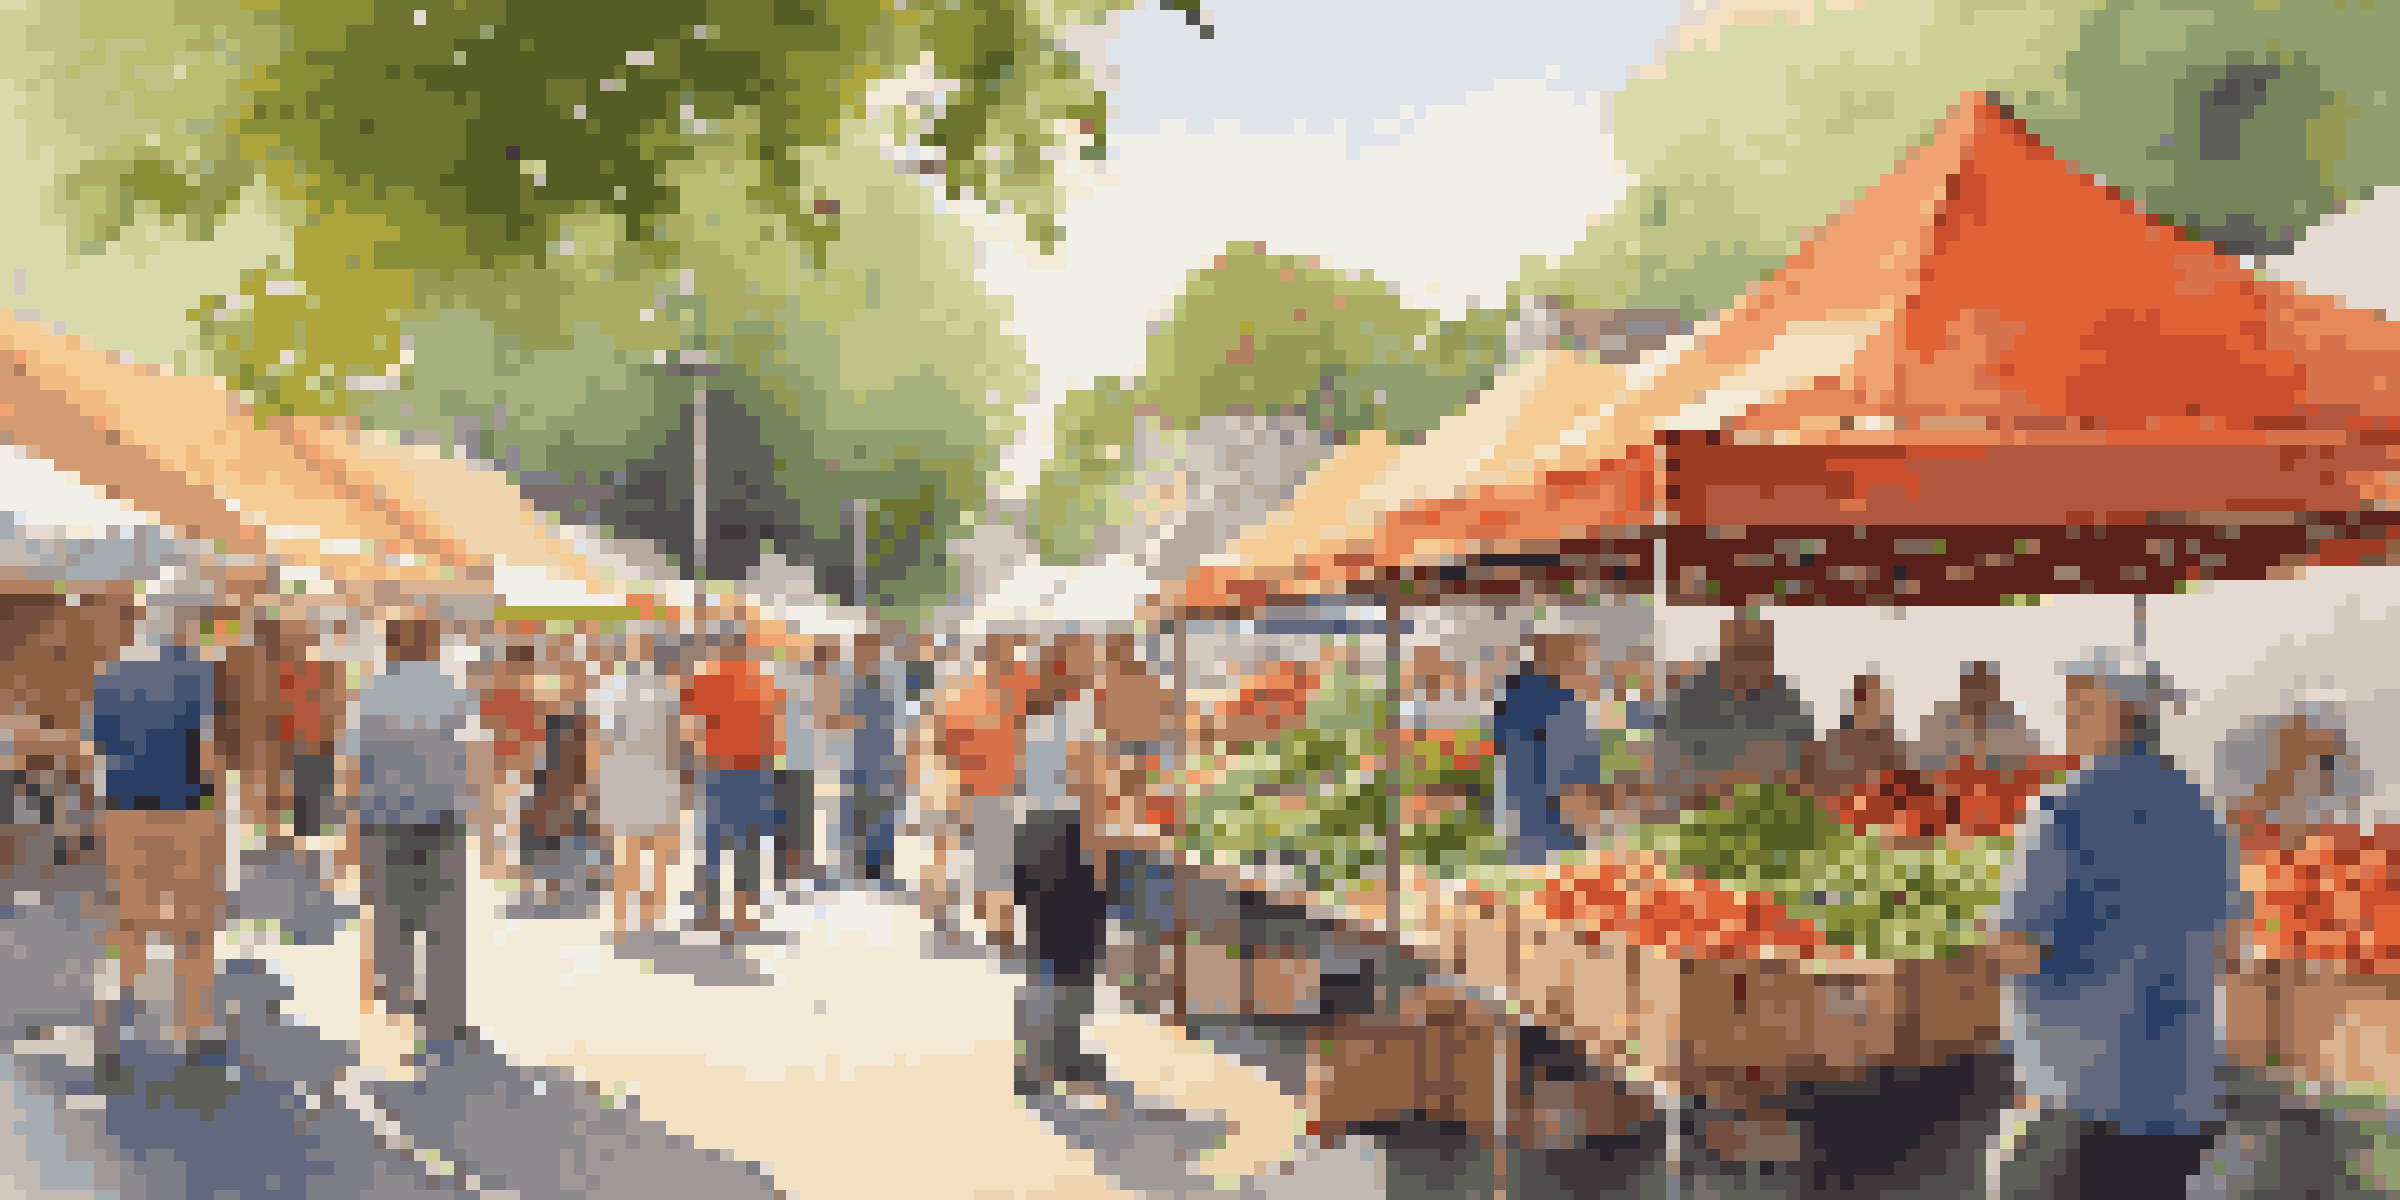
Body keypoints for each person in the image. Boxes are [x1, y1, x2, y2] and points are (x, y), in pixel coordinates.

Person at [1994, 649, 2237, 1200]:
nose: (2067, 712)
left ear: (2116, 710)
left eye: (2079, 699)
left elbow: (2018, 946)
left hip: (2080, 1094)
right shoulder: (2199, 811)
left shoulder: (2064, 810)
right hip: (2180, 1093)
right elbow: (2227, 945)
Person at [88, 597, 234, 1081]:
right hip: (184, 811)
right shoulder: (196, 674)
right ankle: (195, 1034)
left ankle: (117, 1026)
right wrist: (217, 817)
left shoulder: (110, 677)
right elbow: (207, 754)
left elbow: (98, 752)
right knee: (194, 925)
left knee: (129, 923)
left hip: (123, 814)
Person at [345, 615, 489, 1051]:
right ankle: (445, 1015)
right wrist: (479, 809)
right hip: (440, 817)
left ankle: (397, 996)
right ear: (428, 646)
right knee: (444, 917)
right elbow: (471, 753)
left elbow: (356, 764)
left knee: (393, 911)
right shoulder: (448, 688)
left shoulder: (371, 693)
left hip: (384, 819)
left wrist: (352, 822)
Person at [684, 637, 785, 935]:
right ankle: (742, 912)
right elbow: (773, 728)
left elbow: (692, 727)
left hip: (719, 768)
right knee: (747, 842)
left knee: (714, 841)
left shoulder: (708, 679)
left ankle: (709, 911)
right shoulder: (762, 680)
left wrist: (695, 761)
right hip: (752, 769)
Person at [592, 630, 689, 934]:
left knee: (637, 847)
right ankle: (640, 917)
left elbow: (600, 738)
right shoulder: (663, 688)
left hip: (637, 774)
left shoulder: (615, 686)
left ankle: (635, 918)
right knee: (643, 847)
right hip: (641, 774)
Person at [1493, 632, 1619, 863]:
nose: (1579, 663)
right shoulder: (1537, 693)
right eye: (1574, 656)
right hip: (1542, 795)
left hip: (1549, 799)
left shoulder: (1559, 695)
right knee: (1541, 848)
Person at [1915, 661, 2046, 772]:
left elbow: (2029, 760)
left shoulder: (2011, 720)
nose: (1980, 694)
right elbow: (1924, 762)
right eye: (1975, 687)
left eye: (1985, 686)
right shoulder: (1941, 719)